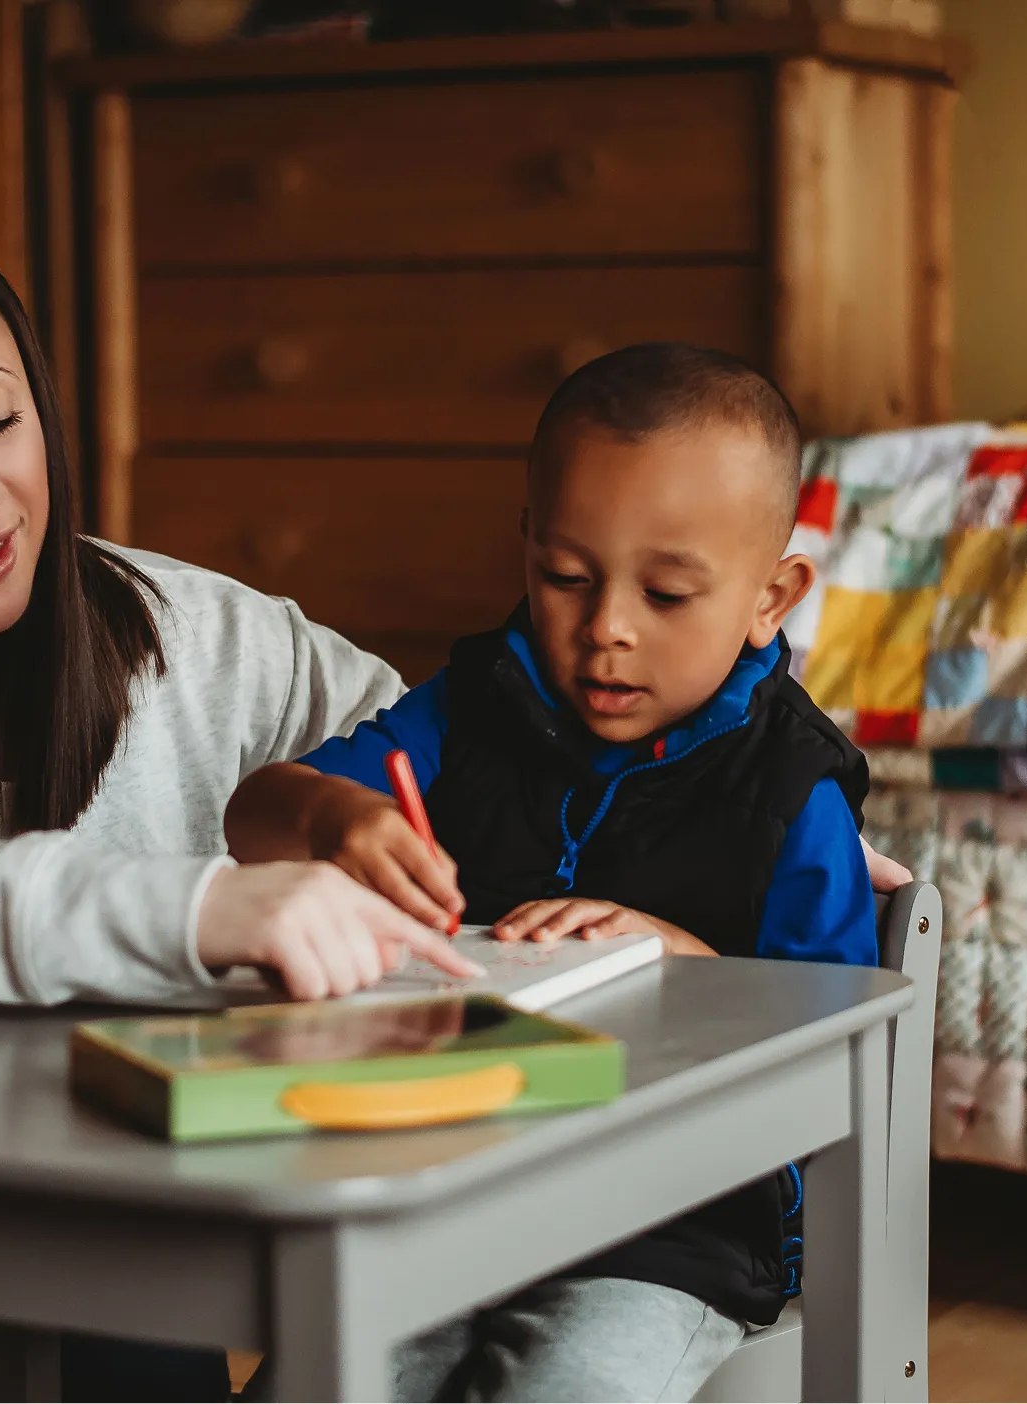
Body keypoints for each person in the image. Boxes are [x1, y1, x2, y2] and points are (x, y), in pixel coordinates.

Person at [0, 212, 911, 1399]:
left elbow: (467, 759)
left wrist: (735, 815)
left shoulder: (175, 631)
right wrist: (211, 905)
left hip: (96, 1272)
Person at [224, 343, 878, 1402]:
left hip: (673, 1224)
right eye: (565, 579)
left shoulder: (789, 790)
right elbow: (251, 818)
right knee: (317, 1378)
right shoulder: (471, 705)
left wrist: (680, 959)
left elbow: (841, 1049)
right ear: (525, 546)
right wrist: (326, 809)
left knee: (565, 1388)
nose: (604, 630)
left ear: (770, 598)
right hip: (449, 1179)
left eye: (666, 594)